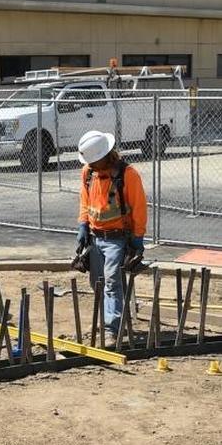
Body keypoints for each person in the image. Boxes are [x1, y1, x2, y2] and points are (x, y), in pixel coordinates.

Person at [76, 130, 147, 336]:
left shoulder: (128, 175)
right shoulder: (88, 172)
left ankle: (111, 328)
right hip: (95, 236)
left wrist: (137, 239)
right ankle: (106, 319)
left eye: (93, 162)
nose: (90, 165)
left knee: (112, 281)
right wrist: (82, 225)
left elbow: (139, 208)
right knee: (96, 281)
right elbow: (85, 201)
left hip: (118, 238)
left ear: (104, 156)